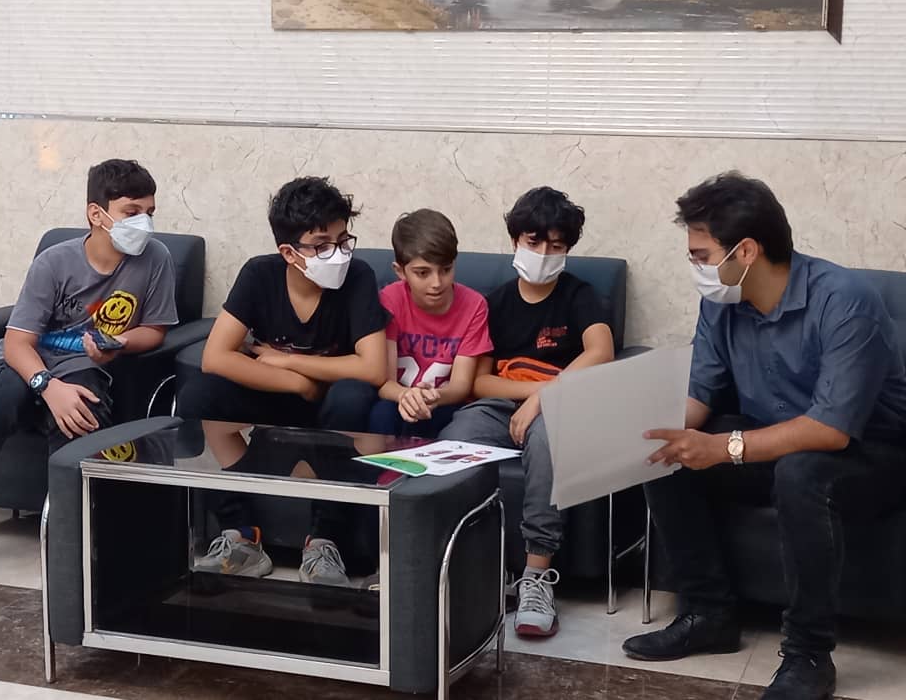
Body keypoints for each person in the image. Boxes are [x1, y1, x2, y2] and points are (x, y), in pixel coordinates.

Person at [621, 172, 906, 700]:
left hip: (872, 450)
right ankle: (708, 614)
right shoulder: (721, 302)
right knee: (669, 450)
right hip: (774, 437)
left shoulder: (845, 299)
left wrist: (723, 448)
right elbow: (701, 393)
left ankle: (808, 655)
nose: (696, 268)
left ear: (746, 251)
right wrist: (640, 431)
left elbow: (831, 428)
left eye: (702, 256)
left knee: (802, 472)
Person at [0, 159, 179, 595]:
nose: (143, 223)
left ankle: (72, 539)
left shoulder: (156, 259)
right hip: (26, 362)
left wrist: (121, 343)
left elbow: (156, 330)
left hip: (84, 368)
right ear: (97, 214)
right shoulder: (55, 262)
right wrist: (47, 387)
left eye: (150, 212)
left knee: (83, 418)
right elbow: (17, 343)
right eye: (132, 212)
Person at [176, 176, 386, 586]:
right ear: (289, 252)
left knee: (354, 398)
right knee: (198, 395)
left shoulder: (358, 276)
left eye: (344, 240)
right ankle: (241, 535)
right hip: (279, 393)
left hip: (332, 401)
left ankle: (324, 541)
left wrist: (289, 360)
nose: (338, 254)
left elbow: (373, 368)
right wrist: (296, 382)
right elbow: (215, 357)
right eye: (322, 245)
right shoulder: (259, 274)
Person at [439, 186, 615, 638]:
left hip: (563, 407)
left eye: (556, 246)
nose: (543, 254)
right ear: (515, 239)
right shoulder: (495, 302)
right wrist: (532, 392)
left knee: (547, 436)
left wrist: (543, 399)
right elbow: (479, 382)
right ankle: (471, 566)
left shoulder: (580, 295)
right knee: (455, 439)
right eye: (534, 242)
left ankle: (537, 577)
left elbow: (601, 352)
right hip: (500, 406)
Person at [368, 209, 493, 438]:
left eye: (446, 270)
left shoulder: (475, 305)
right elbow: (384, 382)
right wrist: (406, 396)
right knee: (382, 413)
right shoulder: (390, 300)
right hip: (397, 399)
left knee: (459, 420)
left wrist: (433, 397)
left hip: (445, 403)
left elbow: (461, 386)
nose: (437, 283)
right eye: (423, 273)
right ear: (400, 271)